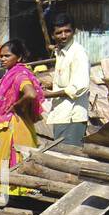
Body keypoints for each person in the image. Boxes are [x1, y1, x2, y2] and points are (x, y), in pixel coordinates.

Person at [0, 39, 45, 172]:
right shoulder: (12, 73)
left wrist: (16, 105)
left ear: (19, 57)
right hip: (12, 124)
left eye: (7, 56)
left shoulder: (19, 75)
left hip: (13, 125)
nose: (2, 59)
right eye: (1, 56)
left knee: (11, 162)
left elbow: (31, 94)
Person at [46, 13, 90, 146]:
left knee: (70, 156)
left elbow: (78, 87)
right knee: (60, 153)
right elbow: (65, 82)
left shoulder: (78, 53)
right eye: (59, 32)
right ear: (53, 35)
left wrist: (49, 94)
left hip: (73, 115)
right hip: (61, 114)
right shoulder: (61, 52)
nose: (64, 35)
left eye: (67, 31)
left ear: (74, 31)